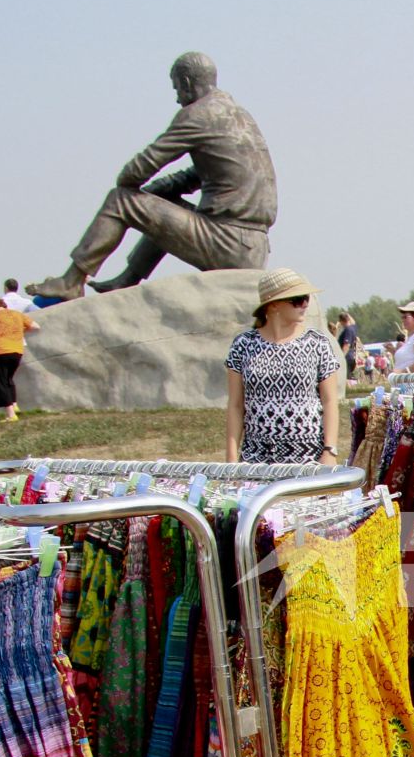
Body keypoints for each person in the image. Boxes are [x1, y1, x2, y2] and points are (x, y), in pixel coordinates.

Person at [27, 52, 277, 300]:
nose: (178, 98)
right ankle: (128, 279)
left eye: (177, 89)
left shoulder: (198, 114)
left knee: (120, 201)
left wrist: (135, 187)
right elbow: (199, 175)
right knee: (161, 204)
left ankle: (72, 282)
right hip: (253, 247)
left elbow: (140, 168)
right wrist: (160, 190)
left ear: (187, 83)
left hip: (226, 240)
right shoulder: (240, 116)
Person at [225, 268, 343, 466]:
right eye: (297, 299)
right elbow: (236, 406)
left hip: (308, 459)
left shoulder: (317, 343)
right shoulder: (243, 345)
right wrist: (231, 458)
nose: (305, 304)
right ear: (273, 305)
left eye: (306, 298)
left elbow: (330, 401)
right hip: (255, 459)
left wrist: (330, 451)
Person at [0, 295, 39, 421]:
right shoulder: (17, 314)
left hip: (0, 351)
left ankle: (10, 414)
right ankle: (14, 404)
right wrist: (19, 331)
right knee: (9, 379)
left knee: (1, 382)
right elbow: (35, 326)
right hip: (17, 351)